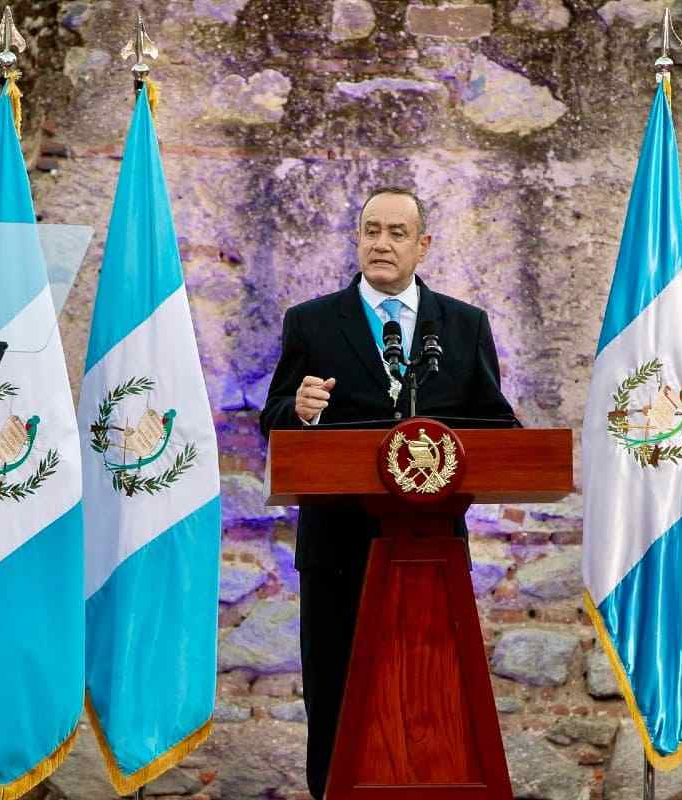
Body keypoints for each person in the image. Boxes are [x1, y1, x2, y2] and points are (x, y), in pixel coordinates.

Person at [259, 187, 518, 799]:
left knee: (427, 697)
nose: (381, 242)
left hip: (430, 557)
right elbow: (272, 418)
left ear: (422, 245)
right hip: (336, 552)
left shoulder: (463, 325)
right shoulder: (312, 322)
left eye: (397, 232)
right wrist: (296, 409)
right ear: (357, 238)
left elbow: (497, 425)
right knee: (337, 696)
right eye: (371, 230)